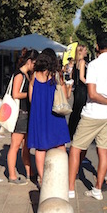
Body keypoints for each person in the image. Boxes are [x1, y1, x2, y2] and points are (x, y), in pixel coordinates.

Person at [68, 32, 107, 200]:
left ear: (96, 46)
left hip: (93, 113)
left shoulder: (94, 65)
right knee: (103, 151)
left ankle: (71, 188)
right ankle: (98, 189)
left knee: (76, 148)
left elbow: (92, 94)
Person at [27, 52, 70, 185]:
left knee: (40, 148)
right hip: (55, 114)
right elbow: (65, 96)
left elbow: (30, 98)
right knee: (60, 145)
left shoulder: (34, 76)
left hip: (39, 115)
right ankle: (62, 175)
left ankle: (42, 178)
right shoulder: (56, 76)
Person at [6, 49, 37, 185]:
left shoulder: (27, 74)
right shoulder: (19, 75)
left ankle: (29, 172)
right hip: (20, 114)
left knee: (26, 147)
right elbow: (15, 94)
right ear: (29, 62)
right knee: (15, 145)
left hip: (26, 113)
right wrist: (31, 93)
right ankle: (12, 175)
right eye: (34, 63)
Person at [67, 44, 88, 138]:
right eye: (85, 50)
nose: (86, 52)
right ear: (80, 51)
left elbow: (72, 76)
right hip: (82, 88)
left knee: (76, 110)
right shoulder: (82, 62)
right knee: (80, 110)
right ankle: (76, 131)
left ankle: (70, 130)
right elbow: (82, 77)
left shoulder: (76, 62)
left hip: (77, 88)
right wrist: (90, 84)